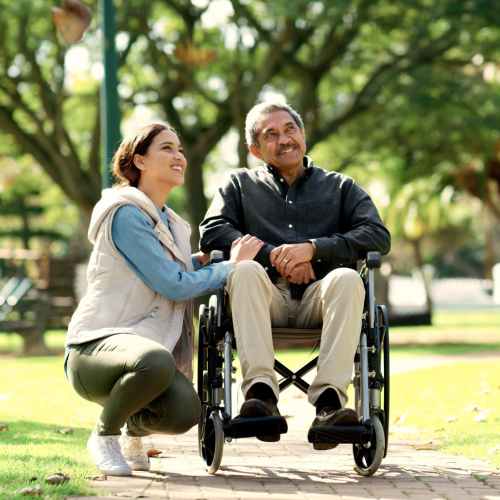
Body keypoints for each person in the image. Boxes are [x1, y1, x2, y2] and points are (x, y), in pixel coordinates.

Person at [65, 122, 263, 476]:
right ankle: (103, 434)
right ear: (139, 161)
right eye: (167, 149)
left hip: (142, 353)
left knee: (186, 410)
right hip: (94, 349)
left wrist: (195, 262)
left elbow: (159, 271)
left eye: (181, 150)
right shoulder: (125, 213)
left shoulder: (173, 224)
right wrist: (232, 267)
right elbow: (173, 285)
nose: (179, 157)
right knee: (156, 361)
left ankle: (131, 430)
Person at [199, 101, 391, 448]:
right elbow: (212, 232)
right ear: (255, 149)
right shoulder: (239, 186)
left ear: (303, 135)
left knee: (349, 279)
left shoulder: (341, 187)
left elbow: (377, 235)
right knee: (242, 271)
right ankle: (260, 396)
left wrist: (314, 250)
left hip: (322, 300)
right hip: (263, 298)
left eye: (290, 129)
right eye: (270, 134)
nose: (284, 139)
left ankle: (329, 404)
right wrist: (274, 255)